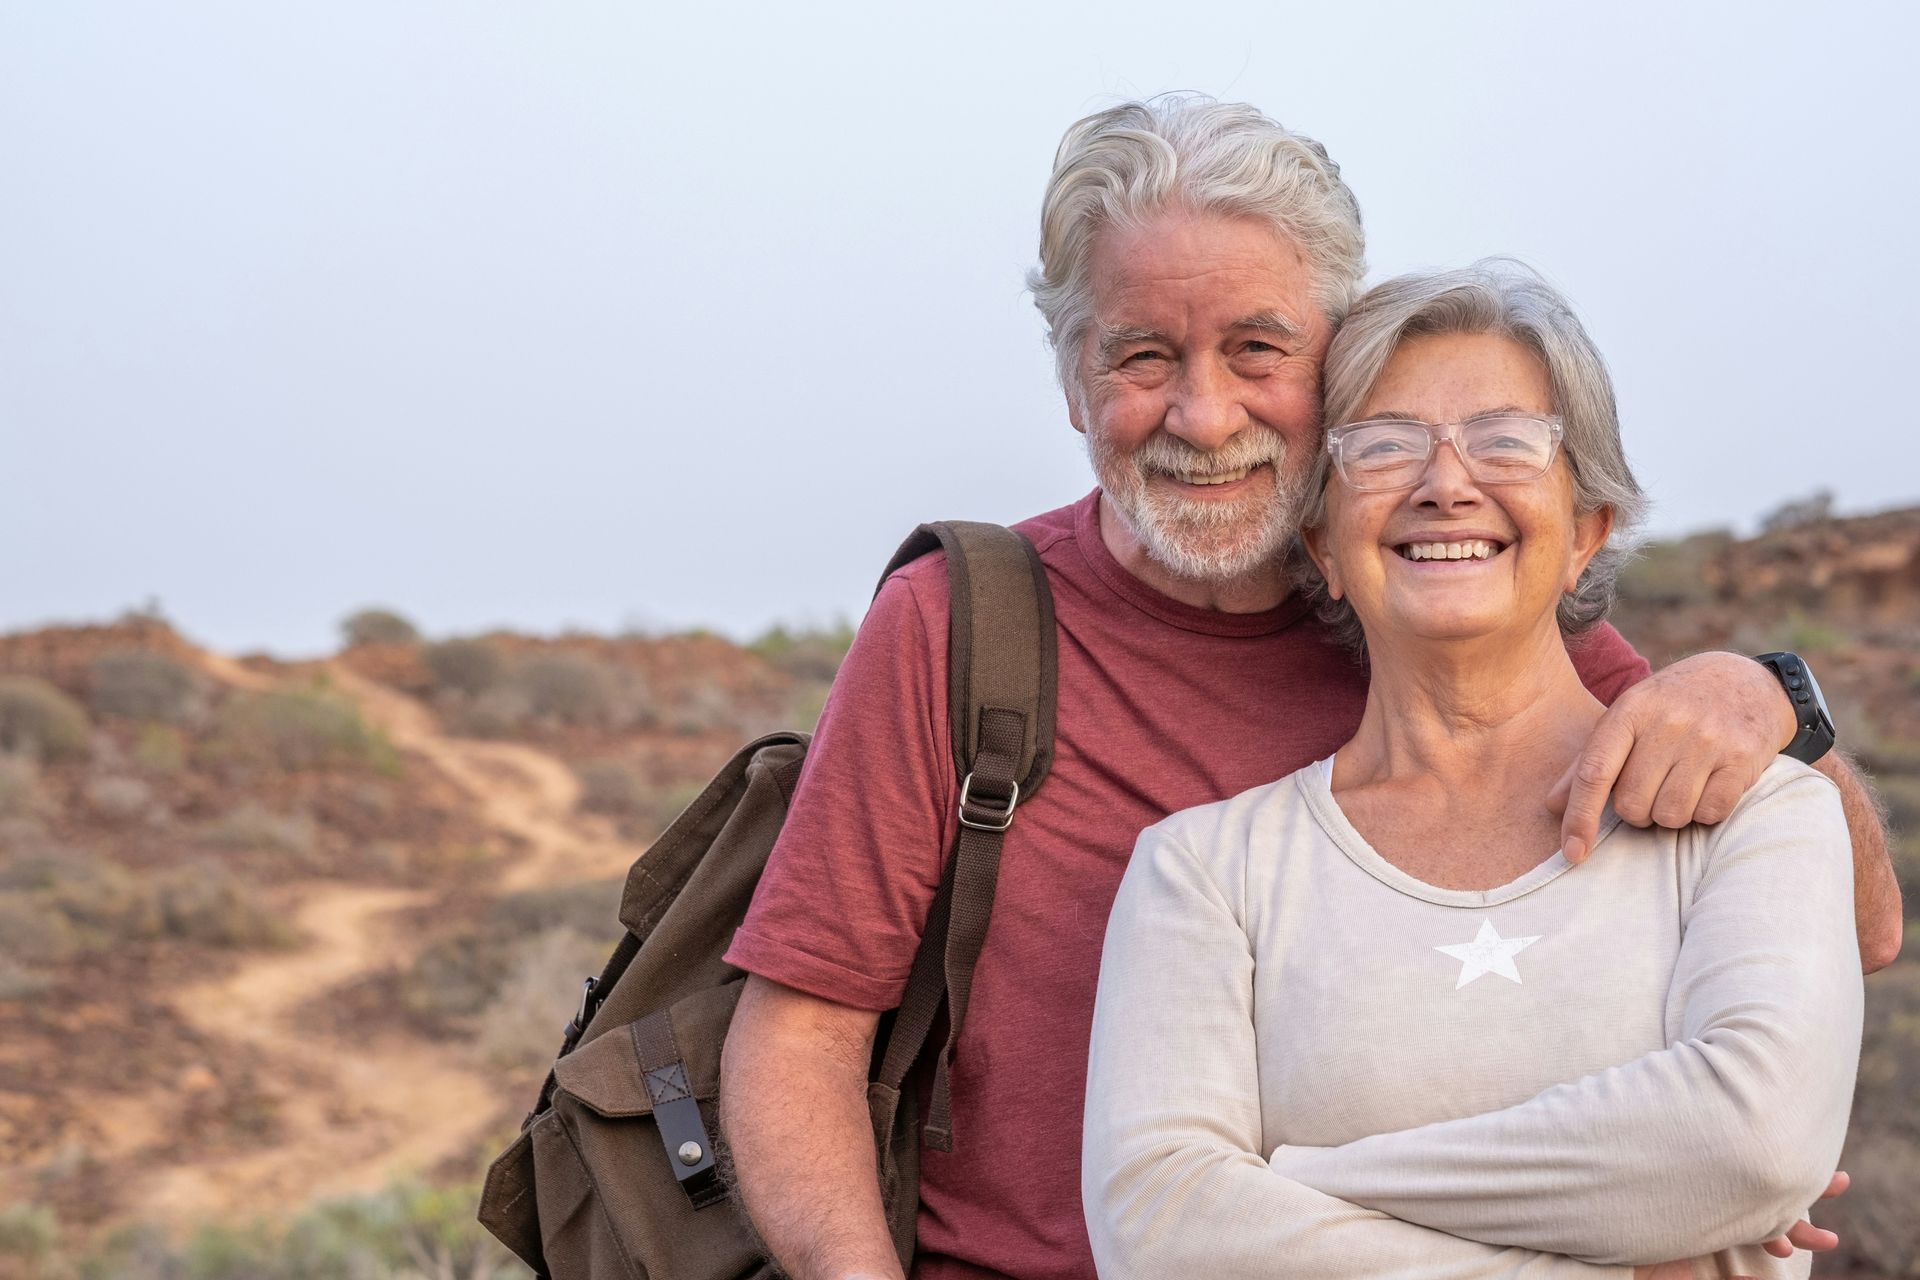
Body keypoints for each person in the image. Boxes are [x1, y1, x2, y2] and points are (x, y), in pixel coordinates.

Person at [720, 96, 1902, 1280]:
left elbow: (1857, 924)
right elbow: (803, 1029)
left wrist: (1773, 700)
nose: (1203, 413)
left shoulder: (1447, 605)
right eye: (1141, 355)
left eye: (1256, 348)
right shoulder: (958, 627)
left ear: (1336, 355)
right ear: (1074, 384)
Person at [1081, 260, 1864, 1279]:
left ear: (1588, 529)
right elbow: (1158, 1230)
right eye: (1386, 445)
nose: (1447, 483)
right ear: (1319, 537)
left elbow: (1753, 1140)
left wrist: (1292, 1182)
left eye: (1505, 440)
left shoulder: (1761, 814)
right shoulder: (1206, 870)